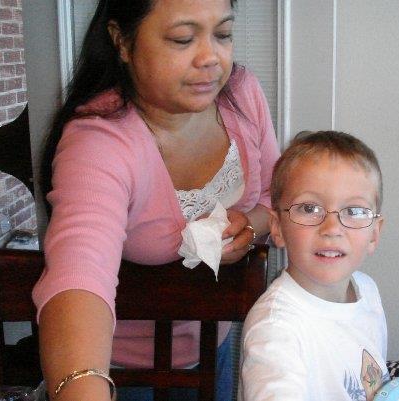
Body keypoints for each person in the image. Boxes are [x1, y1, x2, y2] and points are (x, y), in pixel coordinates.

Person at [32, 1, 279, 400]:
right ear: (122, 42)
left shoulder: (242, 93)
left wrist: (251, 225)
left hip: (221, 340)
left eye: (223, 34)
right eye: (182, 38)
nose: (211, 58)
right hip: (127, 370)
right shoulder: (99, 140)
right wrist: (82, 385)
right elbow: (79, 275)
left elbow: (276, 194)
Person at [238, 131, 399, 401]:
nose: (332, 228)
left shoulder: (366, 290)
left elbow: (359, 379)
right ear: (277, 227)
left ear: (374, 233)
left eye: (354, 211)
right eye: (310, 208)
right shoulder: (276, 330)